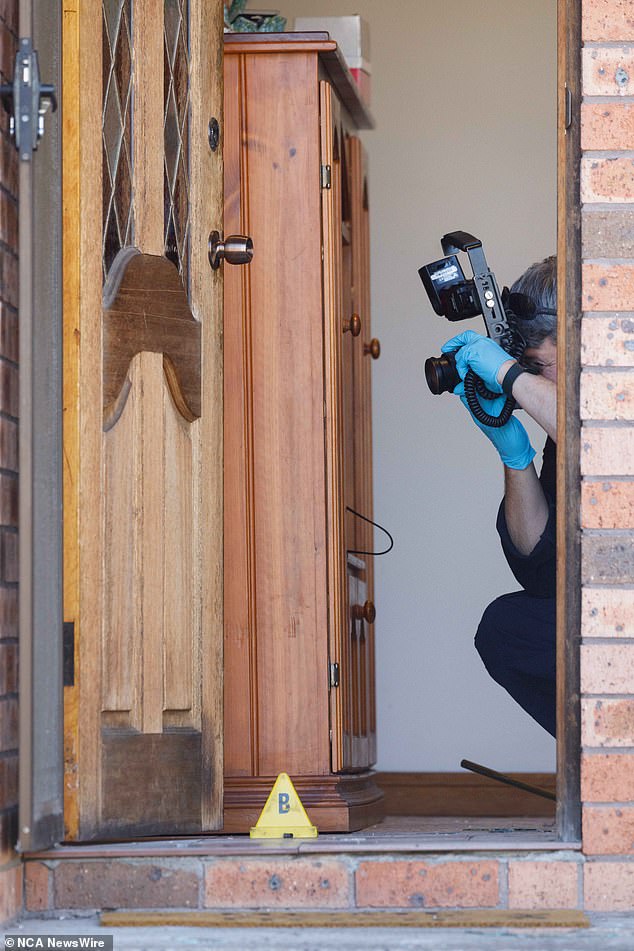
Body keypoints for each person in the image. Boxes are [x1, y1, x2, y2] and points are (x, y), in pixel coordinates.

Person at [441, 256, 557, 736]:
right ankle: (607, 770)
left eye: (542, 366)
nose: (538, 382)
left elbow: (601, 432)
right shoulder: (560, 435)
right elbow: (540, 567)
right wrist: (514, 455)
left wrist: (511, 376)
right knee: (508, 629)